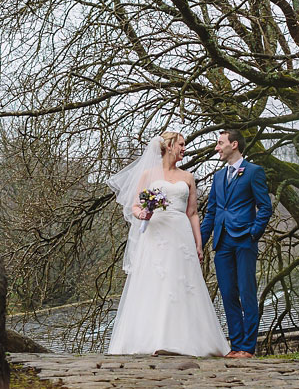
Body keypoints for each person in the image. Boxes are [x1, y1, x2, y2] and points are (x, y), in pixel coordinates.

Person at [105, 132, 230, 356]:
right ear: (170, 146)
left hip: (180, 233)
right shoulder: (148, 174)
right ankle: (154, 339)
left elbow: (192, 213)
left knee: (182, 283)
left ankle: (187, 341)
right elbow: (135, 205)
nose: (184, 149)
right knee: (156, 283)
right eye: (181, 145)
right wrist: (141, 213)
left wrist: (198, 243)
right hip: (156, 234)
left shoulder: (188, 177)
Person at [200, 129, 272, 358]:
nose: (216, 148)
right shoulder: (218, 177)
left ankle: (248, 348)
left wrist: (253, 234)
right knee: (228, 293)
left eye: (220, 143)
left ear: (234, 144)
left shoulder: (253, 172)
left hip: (244, 241)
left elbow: (265, 207)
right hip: (222, 242)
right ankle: (236, 345)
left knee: (246, 292)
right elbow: (211, 213)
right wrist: (199, 243)